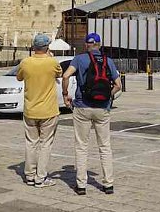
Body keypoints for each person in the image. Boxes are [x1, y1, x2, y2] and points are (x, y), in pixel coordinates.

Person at [62, 33, 121, 195]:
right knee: (105, 146)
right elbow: (118, 85)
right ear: (99, 45)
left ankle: (81, 185)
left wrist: (65, 95)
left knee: (82, 146)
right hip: (102, 109)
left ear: (86, 45)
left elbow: (66, 76)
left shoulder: (79, 59)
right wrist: (108, 96)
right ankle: (108, 184)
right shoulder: (108, 61)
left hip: (82, 106)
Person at [16, 33, 62, 188]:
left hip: (30, 109)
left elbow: (19, 77)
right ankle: (40, 177)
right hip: (48, 110)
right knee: (45, 144)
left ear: (34, 47)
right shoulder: (52, 62)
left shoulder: (26, 62)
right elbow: (59, 73)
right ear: (47, 47)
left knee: (31, 143)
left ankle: (29, 175)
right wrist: (50, 57)